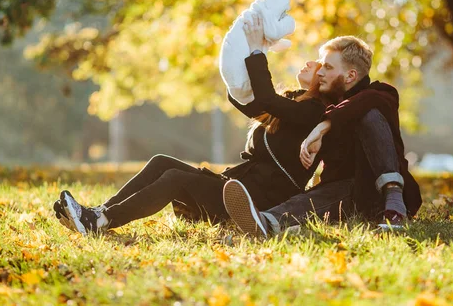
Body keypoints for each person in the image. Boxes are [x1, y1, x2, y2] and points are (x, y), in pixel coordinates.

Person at [54, 14, 328, 235]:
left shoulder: (314, 112)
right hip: (239, 185)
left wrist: (257, 50)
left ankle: (101, 222)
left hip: (256, 201)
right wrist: (242, 55)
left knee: (175, 178)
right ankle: (97, 214)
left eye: (321, 64)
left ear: (328, 81)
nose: (310, 62)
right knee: (162, 162)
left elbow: (267, 98)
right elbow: (247, 103)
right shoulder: (293, 101)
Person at [222, 36, 422, 237]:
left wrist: (323, 127)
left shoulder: (380, 94)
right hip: (348, 196)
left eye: (327, 67)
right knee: (318, 196)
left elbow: (363, 101)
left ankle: (394, 198)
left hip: (378, 192)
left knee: (368, 114)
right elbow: (266, 106)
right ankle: (266, 222)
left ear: (350, 75)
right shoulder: (326, 105)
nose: (321, 72)